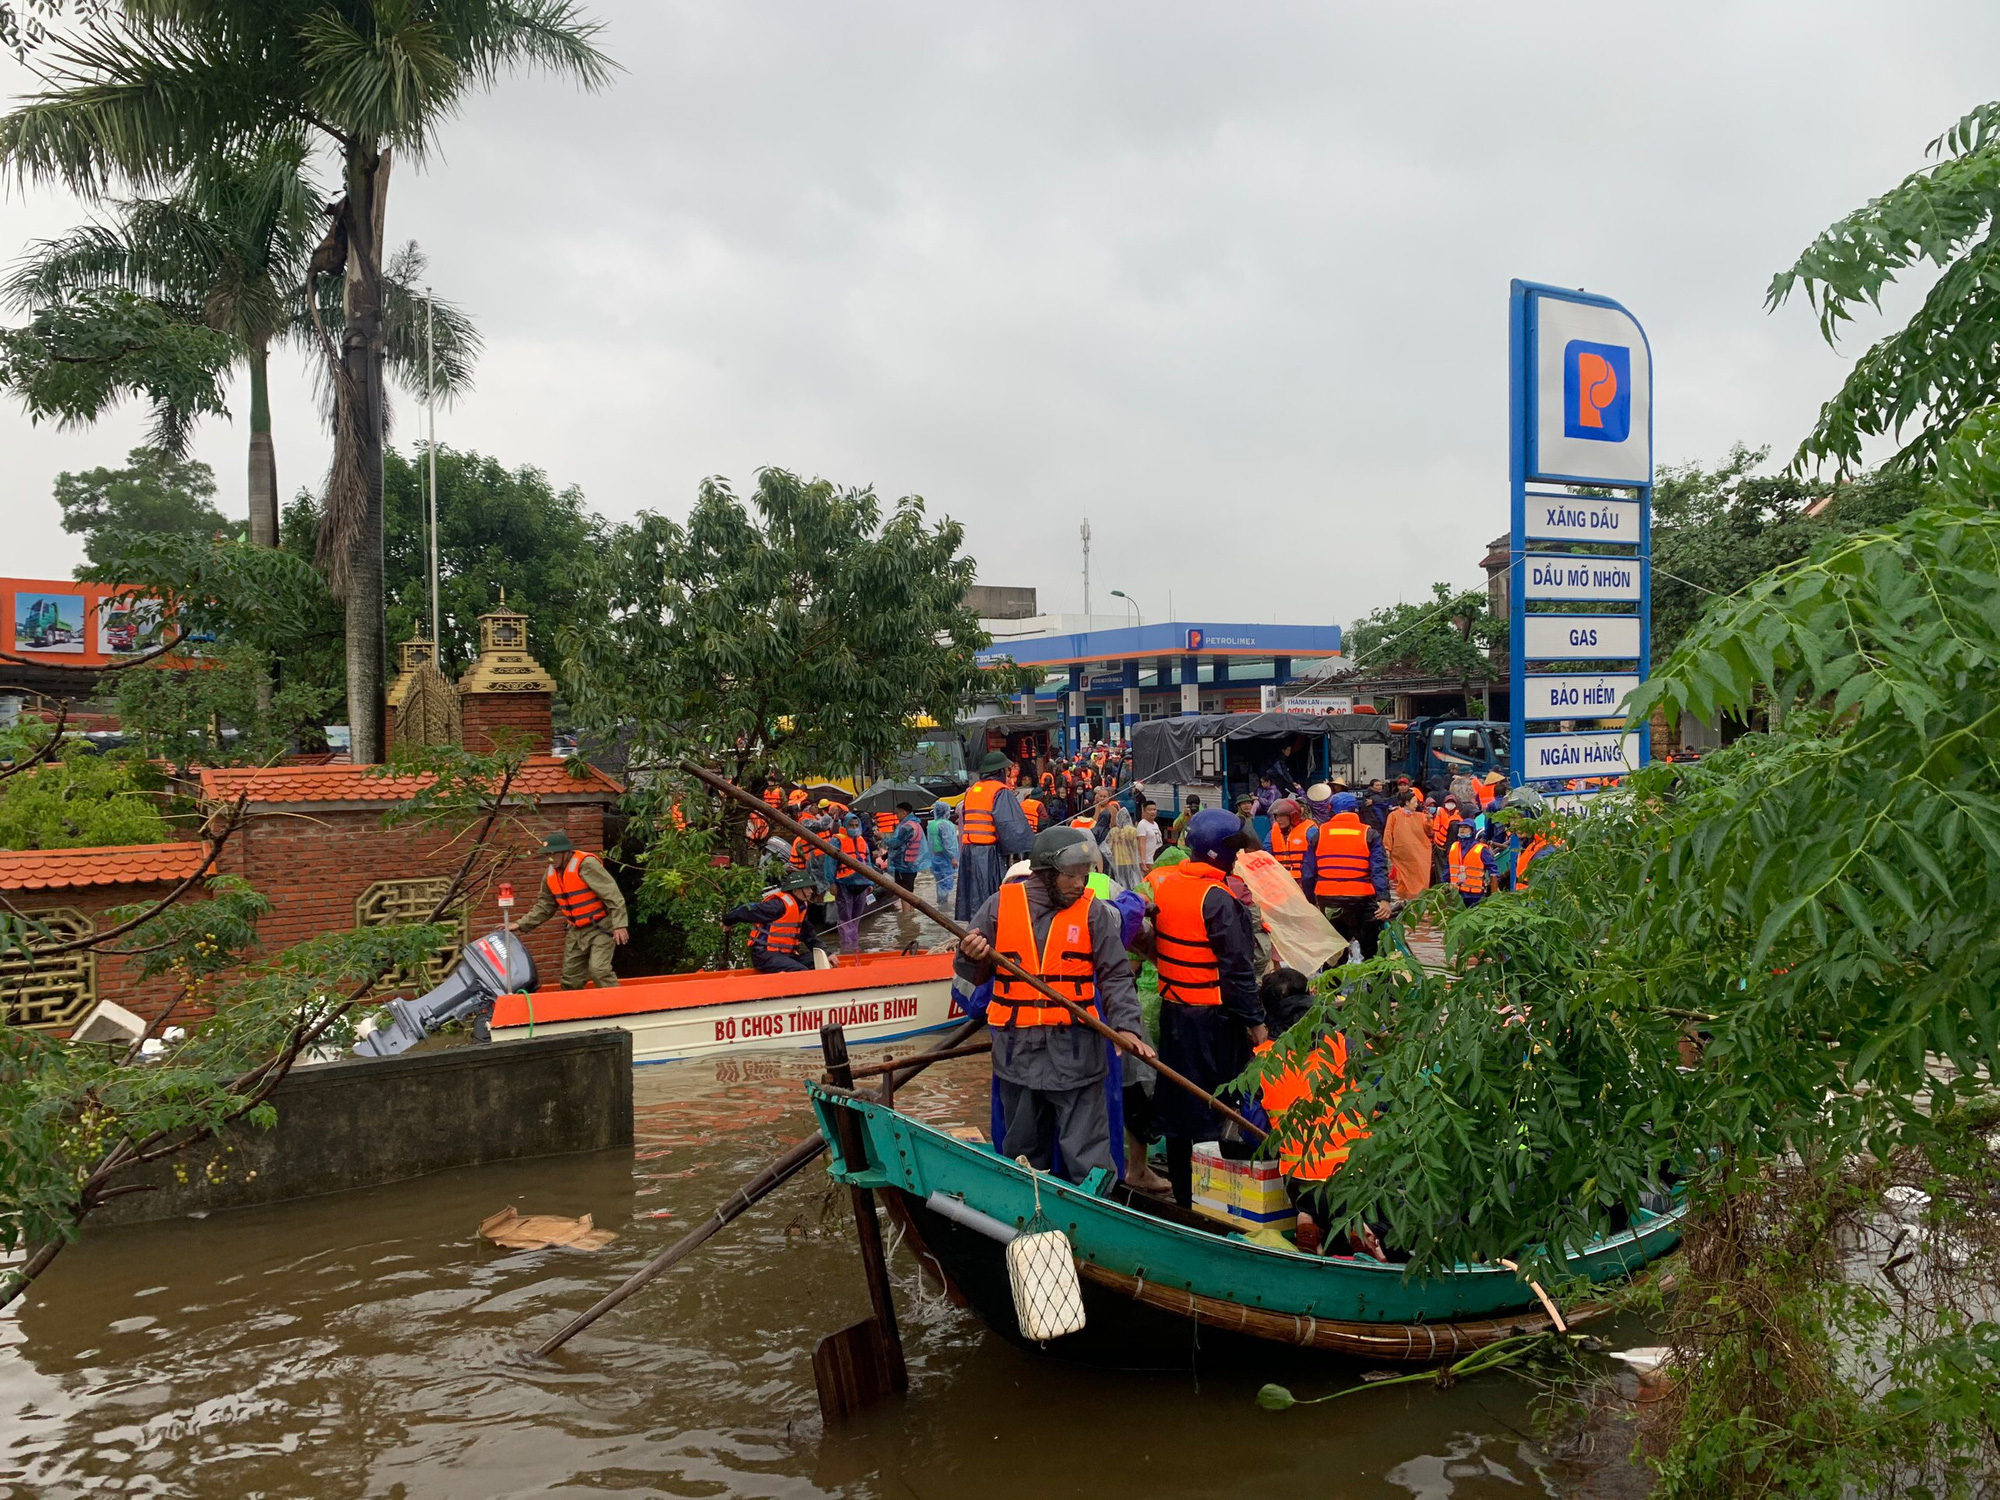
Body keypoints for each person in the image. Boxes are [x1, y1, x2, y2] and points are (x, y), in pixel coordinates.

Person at [955, 827, 1155, 1184]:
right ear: (1046, 873)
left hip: (1078, 1053)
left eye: (1083, 876)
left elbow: (1116, 976)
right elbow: (972, 972)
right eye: (1071, 877)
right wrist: (970, 957)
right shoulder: (999, 906)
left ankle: (1095, 1219)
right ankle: (1031, 1217)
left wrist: (1127, 1028)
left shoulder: (1093, 913)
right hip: (1019, 1052)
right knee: (1024, 1152)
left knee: (1088, 1155)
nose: (1080, 884)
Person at [1145, 808, 1269, 1208]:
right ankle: (1213, 1202)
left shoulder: (1168, 886)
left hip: (1174, 1012)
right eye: (1233, 850)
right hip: (1212, 1020)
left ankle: (1184, 1194)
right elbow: (1237, 969)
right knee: (1217, 1106)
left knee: (1181, 1105)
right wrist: (1255, 1022)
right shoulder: (1219, 898)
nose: (1238, 857)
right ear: (1220, 852)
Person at [515, 831, 629, 988]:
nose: (550, 859)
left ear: (565, 852)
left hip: (601, 926)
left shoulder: (586, 864)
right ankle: (572, 1011)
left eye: (553, 854)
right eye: (547, 855)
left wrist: (619, 924)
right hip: (576, 931)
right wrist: (520, 924)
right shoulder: (550, 874)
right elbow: (545, 906)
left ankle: (620, 1006)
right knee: (570, 978)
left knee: (599, 970)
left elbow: (612, 895)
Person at [1301, 792, 1392, 963]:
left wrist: (1310, 901)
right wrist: (1384, 899)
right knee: (1373, 953)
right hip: (1362, 901)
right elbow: (1378, 869)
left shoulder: (1319, 834)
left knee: (1334, 954)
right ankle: (1376, 987)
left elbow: (1308, 873)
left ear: (1331, 810)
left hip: (1329, 901)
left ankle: (1332, 989)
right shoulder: (1369, 834)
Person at [956, 752, 1035, 922]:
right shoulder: (1000, 792)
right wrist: (1031, 846)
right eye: (1006, 771)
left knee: (973, 898)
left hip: (968, 852)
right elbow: (1011, 825)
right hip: (987, 852)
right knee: (989, 896)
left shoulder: (973, 790)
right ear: (999, 772)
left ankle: (973, 929)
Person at [721, 868, 828, 972]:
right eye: (807, 888)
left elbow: (809, 935)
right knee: (799, 971)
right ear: (796, 890)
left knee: (818, 962)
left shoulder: (800, 907)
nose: (811, 891)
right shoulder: (777, 905)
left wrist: (827, 953)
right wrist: (728, 921)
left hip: (786, 954)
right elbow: (746, 910)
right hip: (765, 955)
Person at [1383, 788, 1433, 900]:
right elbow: (1388, 832)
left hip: (1420, 853)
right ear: (1406, 802)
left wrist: (1429, 820)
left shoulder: (1421, 816)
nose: (1416, 805)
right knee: (1402, 878)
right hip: (1401, 854)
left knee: (1421, 876)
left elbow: (1429, 832)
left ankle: (1418, 899)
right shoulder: (1394, 815)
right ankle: (1404, 899)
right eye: (1414, 802)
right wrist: (1387, 848)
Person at [832, 813, 872, 951]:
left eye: (856, 825)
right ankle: (846, 946)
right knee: (845, 916)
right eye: (851, 825)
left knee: (857, 916)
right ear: (845, 826)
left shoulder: (862, 841)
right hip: (844, 883)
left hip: (861, 883)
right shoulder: (837, 841)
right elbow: (830, 864)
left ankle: (855, 943)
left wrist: (870, 882)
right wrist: (831, 882)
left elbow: (868, 863)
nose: (854, 828)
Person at [1448, 820, 1495, 906]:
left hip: (1475, 894)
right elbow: (1448, 867)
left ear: (1472, 831)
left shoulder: (1480, 849)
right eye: (1461, 827)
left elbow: (1493, 868)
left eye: (1466, 827)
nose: (1462, 829)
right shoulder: (1454, 846)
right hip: (1457, 892)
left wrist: (1494, 887)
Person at [1265, 797, 1309, 885]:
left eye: (1281, 816)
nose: (1278, 819)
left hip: (1302, 880)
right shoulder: (1273, 831)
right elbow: (1266, 852)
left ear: (1293, 816)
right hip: (1281, 879)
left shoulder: (1309, 830)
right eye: (1276, 816)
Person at [884, 801, 926, 894]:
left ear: (904, 813)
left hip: (903, 864)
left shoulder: (906, 827)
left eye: (898, 813)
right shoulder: (916, 824)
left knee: (904, 893)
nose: (897, 816)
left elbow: (896, 844)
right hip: (913, 862)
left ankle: (906, 909)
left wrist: (883, 838)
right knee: (910, 890)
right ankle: (910, 909)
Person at [924, 802, 960, 909]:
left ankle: (941, 905)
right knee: (946, 883)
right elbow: (947, 842)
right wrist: (952, 857)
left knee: (939, 883)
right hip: (945, 858)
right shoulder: (945, 824)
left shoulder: (931, 824)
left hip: (935, 858)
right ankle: (944, 908)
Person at [1134, 799, 1163, 866]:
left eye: (1154, 809)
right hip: (1149, 861)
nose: (1152, 812)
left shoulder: (1155, 824)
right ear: (1144, 811)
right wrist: (1143, 860)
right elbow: (1141, 843)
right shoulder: (1142, 824)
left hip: (1157, 859)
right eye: (1149, 810)